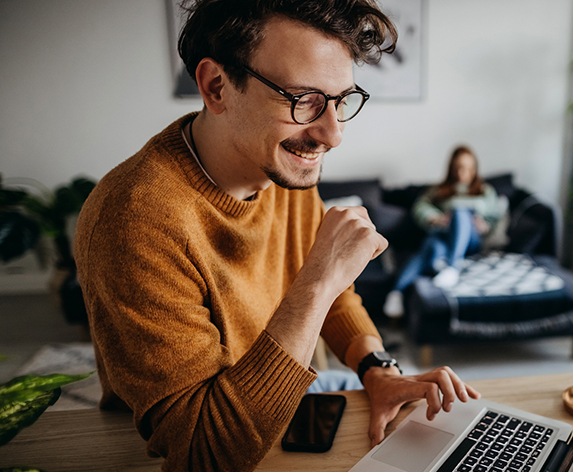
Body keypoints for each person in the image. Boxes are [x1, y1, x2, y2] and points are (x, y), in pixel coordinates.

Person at [73, 1, 480, 470]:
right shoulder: (136, 219)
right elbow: (205, 451)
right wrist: (319, 281)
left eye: (341, 100)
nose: (332, 134)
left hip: (289, 410)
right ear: (217, 87)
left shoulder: (281, 169)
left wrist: (378, 371)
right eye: (303, 98)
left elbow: (338, 300)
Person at [383, 145, 506, 318]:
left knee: (460, 212)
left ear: (474, 169)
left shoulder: (485, 191)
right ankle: (396, 294)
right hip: (443, 235)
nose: (463, 173)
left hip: (470, 240)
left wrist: (485, 225)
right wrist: (436, 218)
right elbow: (420, 206)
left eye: (468, 168)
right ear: (452, 168)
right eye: (458, 168)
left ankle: (452, 266)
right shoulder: (439, 190)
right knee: (432, 246)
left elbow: (495, 217)